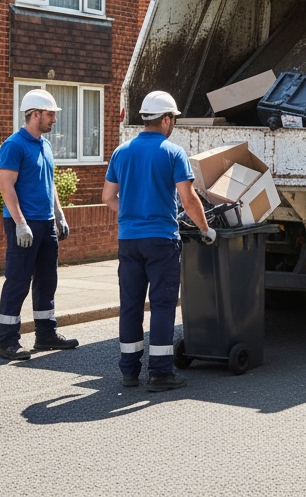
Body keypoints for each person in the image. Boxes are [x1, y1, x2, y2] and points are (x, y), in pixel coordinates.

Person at [102, 91, 214, 391]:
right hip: (161, 240)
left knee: (131, 305)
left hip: (128, 240)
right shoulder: (172, 152)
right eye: (173, 119)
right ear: (165, 119)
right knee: (162, 306)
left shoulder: (121, 152)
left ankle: (129, 371)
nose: (173, 124)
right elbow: (189, 199)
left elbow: (108, 198)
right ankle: (160, 373)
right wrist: (205, 229)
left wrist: (131, 212)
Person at [0, 89, 79, 360]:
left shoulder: (45, 144)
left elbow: (49, 182)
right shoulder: (14, 145)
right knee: (18, 281)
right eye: (50, 115)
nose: (54, 120)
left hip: (45, 223)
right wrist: (20, 223)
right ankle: (8, 341)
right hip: (24, 223)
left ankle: (45, 335)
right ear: (34, 114)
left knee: (47, 280)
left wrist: (59, 214)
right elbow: (6, 186)